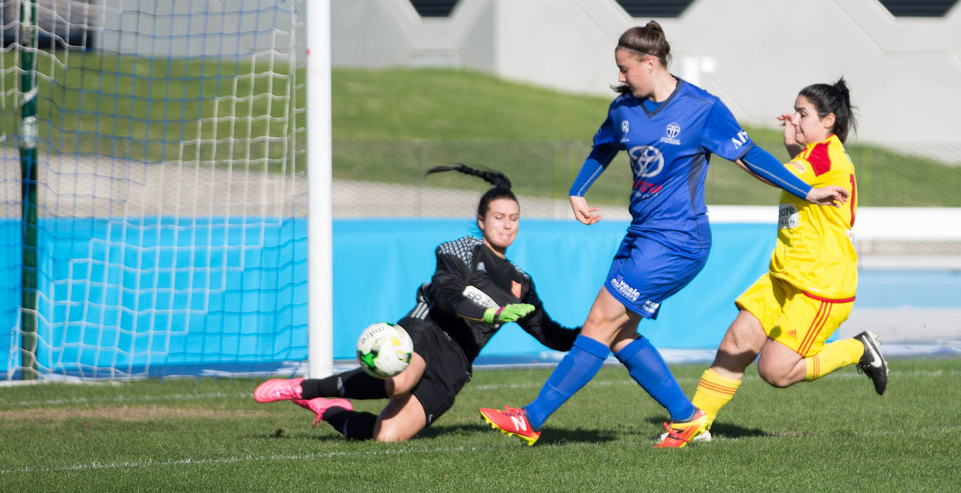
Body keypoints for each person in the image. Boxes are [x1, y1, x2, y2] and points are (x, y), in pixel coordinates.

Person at [479, 21, 850, 448]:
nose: (620, 76)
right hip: (641, 234)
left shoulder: (701, 107)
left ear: (650, 63)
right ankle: (687, 418)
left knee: (600, 321)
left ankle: (531, 418)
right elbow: (604, 146)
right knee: (619, 335)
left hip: (679, 240)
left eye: (625, 68)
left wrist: (807, 190)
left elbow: (747, 155)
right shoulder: (624, 108)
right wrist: (578, 190)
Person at [253, 164, 581, 442]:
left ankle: (328, 409)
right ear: (482, 220)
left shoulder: (522, 282)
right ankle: (305, 388)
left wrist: (595, 334)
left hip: (457, 361)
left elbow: (551, 335)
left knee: (387, 436)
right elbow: (447, 296)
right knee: (400, 382)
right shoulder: (461, 249)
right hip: (429, 328)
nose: (507, 225)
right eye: (499, 217)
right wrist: (491, 313)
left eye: (514, 218)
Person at [674, 78, 887, 444]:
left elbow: (774, 175)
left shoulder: (825, 156)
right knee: (735, 342)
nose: (796, 119)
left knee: (774, 371)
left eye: (803, 114)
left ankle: (858, 349)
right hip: (784, 276)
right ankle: (694, 425)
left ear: (828, 121)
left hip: (820, 284)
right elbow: (797, 176)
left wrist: (729, 145)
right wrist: (792, 144)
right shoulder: (814, 156)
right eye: (795, 112)